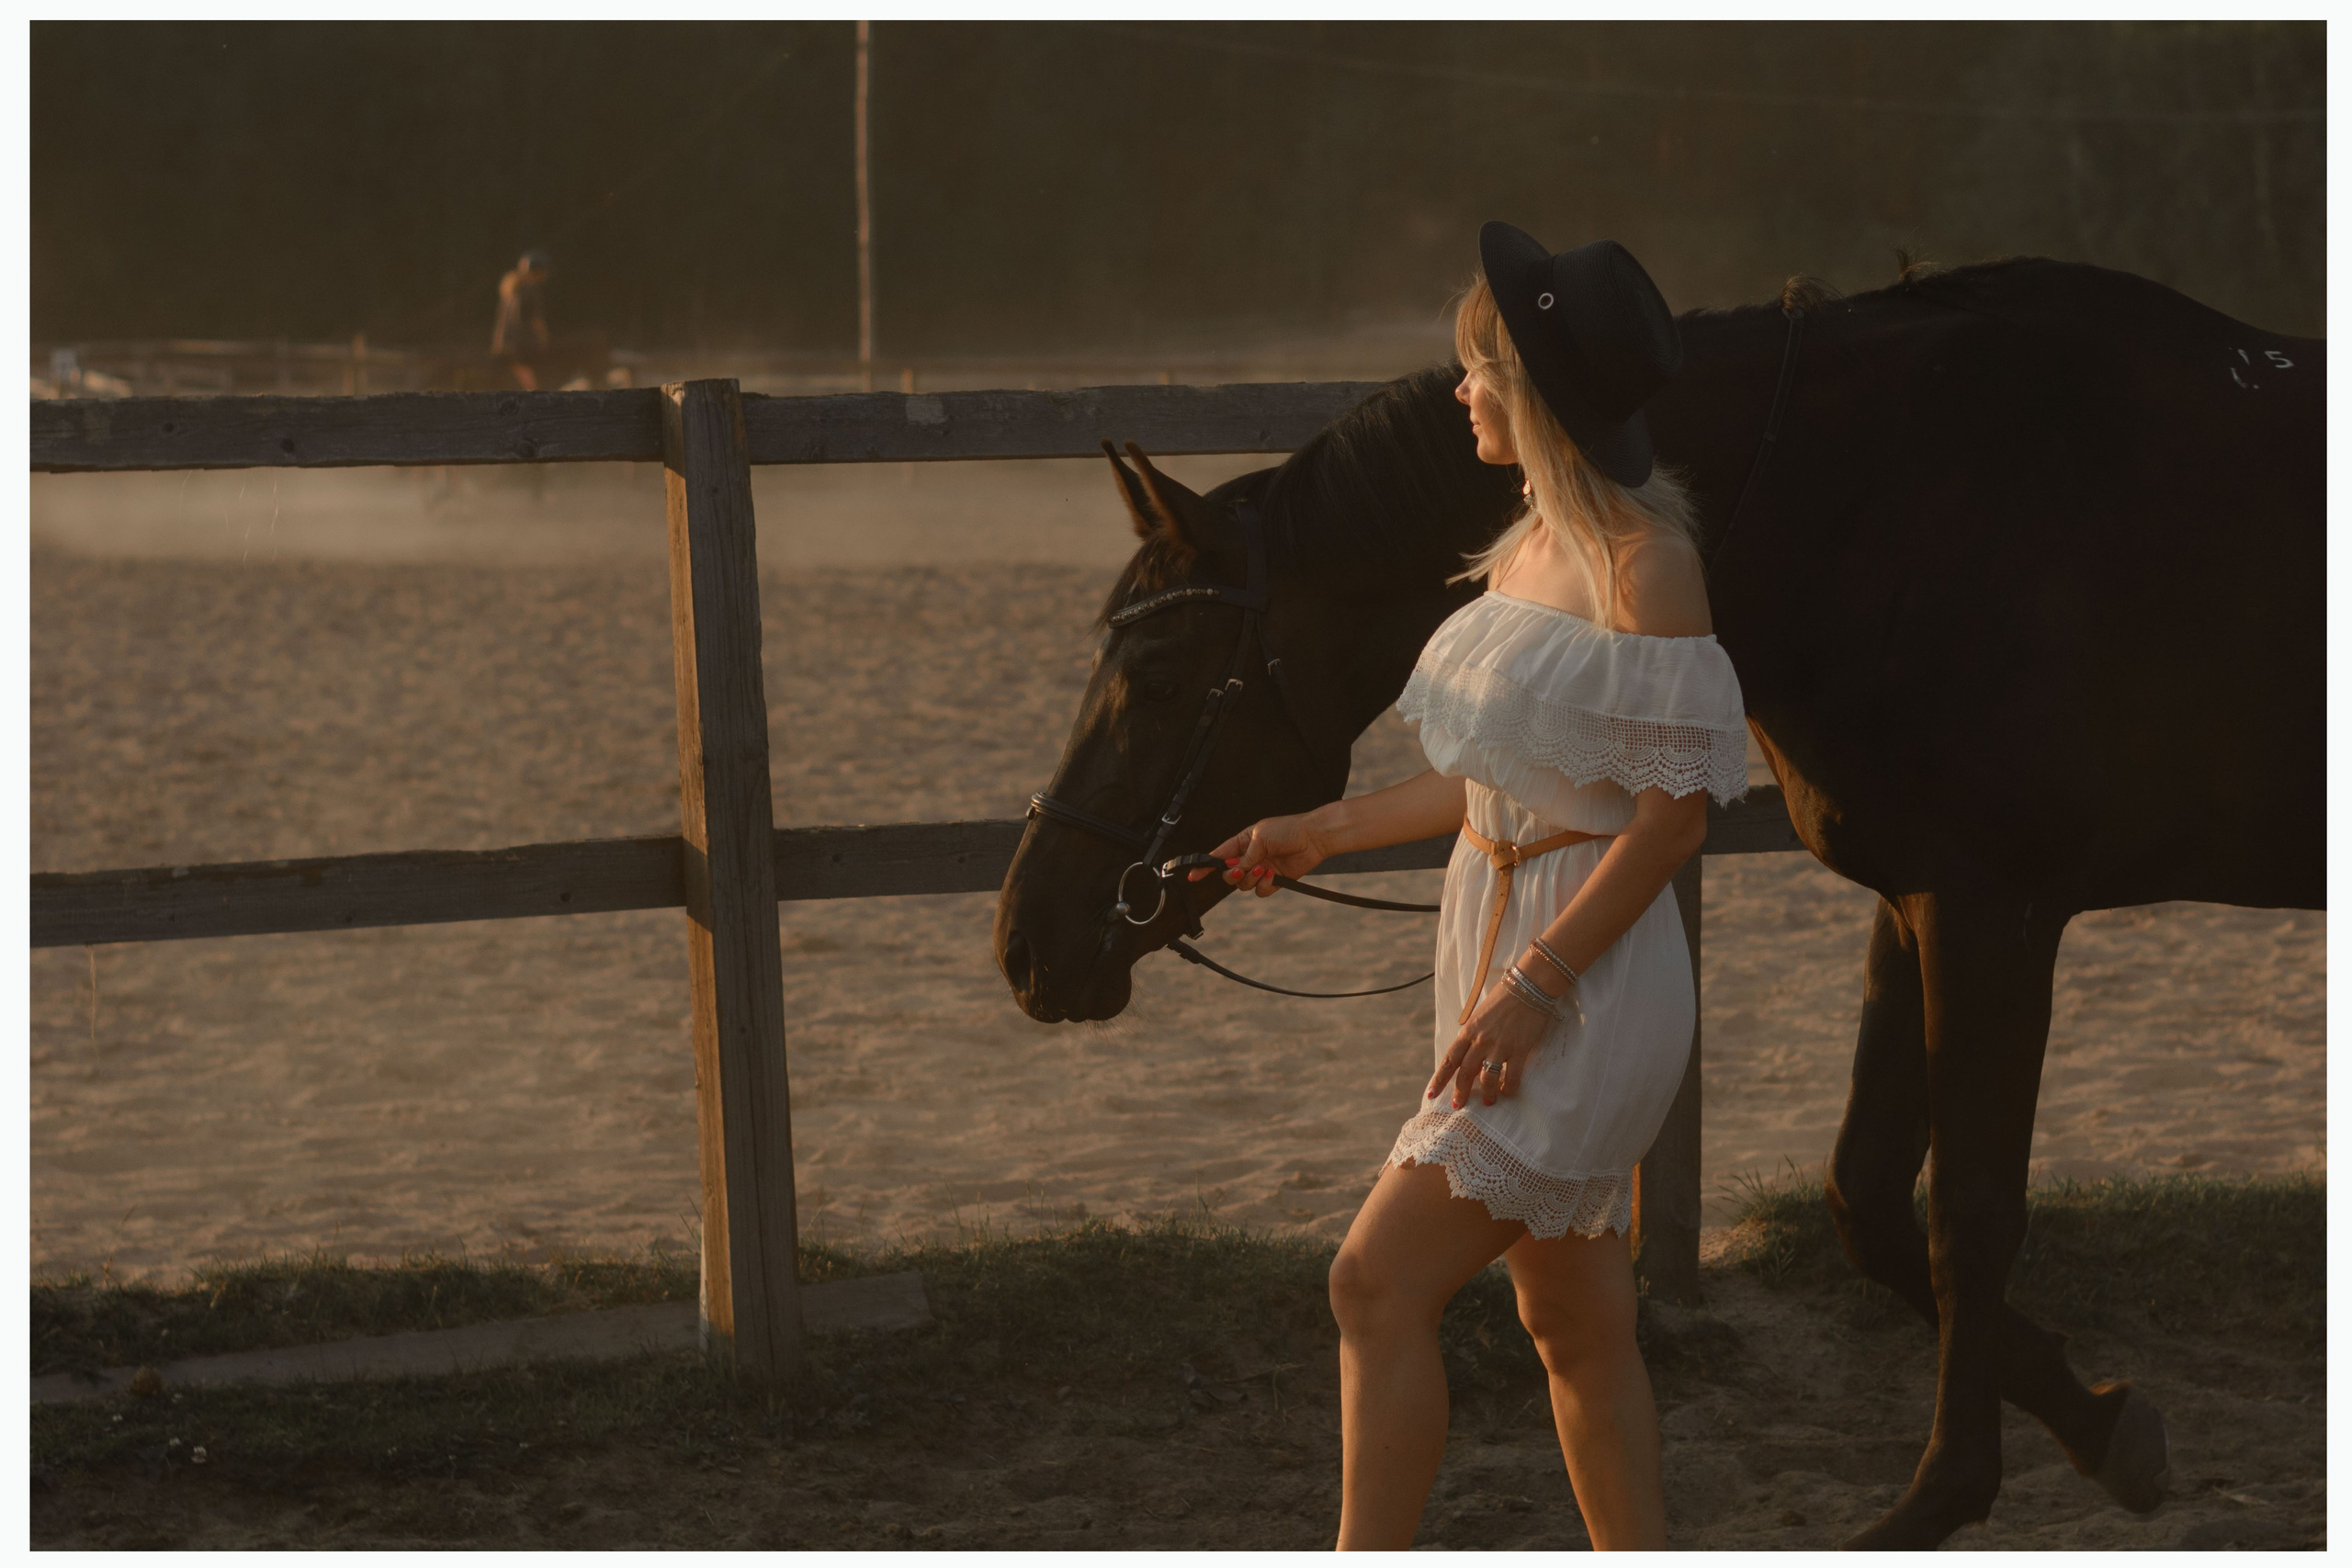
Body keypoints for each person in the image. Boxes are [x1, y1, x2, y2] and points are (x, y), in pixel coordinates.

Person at [1196, 224, 1749, 1550]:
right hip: (1493, 933)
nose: (1458, 392)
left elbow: (1670, 823)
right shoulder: (1520, 551)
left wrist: (1535, 984)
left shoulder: (1645, 568)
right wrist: (1322, 826)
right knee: (1571, 1319)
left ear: (1538, 388)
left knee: (1373, 1282)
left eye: (1477, 369)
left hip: (1583, 976)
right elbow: (1494, 780)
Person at [491, 250, 551, 389]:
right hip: (523, 343)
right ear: (538, 271)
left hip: (505, 342)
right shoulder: (532, 290)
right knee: (535, 378)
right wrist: (544, 337)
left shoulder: (511, 288)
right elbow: (536, 319)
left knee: (522, 375)